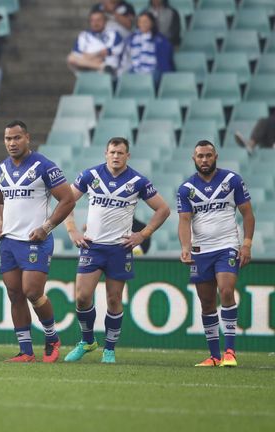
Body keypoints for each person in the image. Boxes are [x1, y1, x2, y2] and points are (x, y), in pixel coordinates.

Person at [63, 137, 170, 364]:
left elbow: (163, 209)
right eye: (112, 152)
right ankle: (87, 340)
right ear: (105, 153)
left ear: (127, 156)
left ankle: (109, 350)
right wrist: (72, 231)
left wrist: (143, 235)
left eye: (120, 153)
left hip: (119, 249)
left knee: (114, 300)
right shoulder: (90, 176)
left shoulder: (138, 181)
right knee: (82, 297)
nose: (116, 156)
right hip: (92, 246)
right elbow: (66, 202)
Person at [0, 121, 75, 363]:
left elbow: (68, 200)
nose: (12, 143)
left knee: (32, 291)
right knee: (15, 294)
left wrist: (46, 227)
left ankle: (52, 337)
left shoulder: (43, 166)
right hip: (9, 242)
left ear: (27, 138)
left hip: (36, 240)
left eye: (17, 138)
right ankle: (26, 351)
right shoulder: (1, 169)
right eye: (8, 139)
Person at [177, 140, 255, 367]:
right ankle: (214, 355)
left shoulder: (232, 181)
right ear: (194, 158)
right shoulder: (186, 189)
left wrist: (247, 244)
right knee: (207, 302)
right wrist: (185, 246)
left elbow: (248, 214)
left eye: (208, 155)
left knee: (227, 290)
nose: (204, 160)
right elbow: (184, 221)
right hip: (200, 251)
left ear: (216, 156)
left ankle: (230, 352)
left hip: (227, 246)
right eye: (200, 156)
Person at [121, 12, 174, 83]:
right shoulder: (132, 38)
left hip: (153, 71)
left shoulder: (160, 40)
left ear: (152, 23)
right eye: (140, 22)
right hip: (135, 70)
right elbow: (127, 57)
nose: (142, 24)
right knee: (123, 80)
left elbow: (164, 61)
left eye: (145, 21)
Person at [67, 10, 124, 76]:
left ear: (105, 21)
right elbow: (75, 56)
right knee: (71, 58)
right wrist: (96, 57)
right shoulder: (83, 35)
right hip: (89, 67)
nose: (95, 23)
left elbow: (115, 51)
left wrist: (91, 56)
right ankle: (101, 66)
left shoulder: (114, 34)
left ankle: (100, 67)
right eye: (92, 20)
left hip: (107, 71)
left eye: (98, 20)